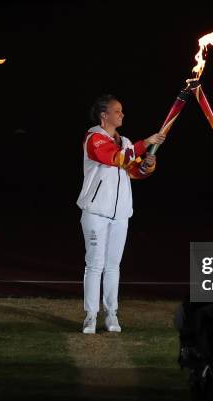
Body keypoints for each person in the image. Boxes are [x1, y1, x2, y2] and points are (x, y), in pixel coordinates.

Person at [77, 94, 165, 334]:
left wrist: (147, 165)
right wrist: (145, 143)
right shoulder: (93, 138)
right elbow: (114, 159)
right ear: (104, 115)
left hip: (121, 213)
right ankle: (91, 316)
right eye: (117, 111)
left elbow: (133, 171)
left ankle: (111, 314)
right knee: (95, 264)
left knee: (113, 265)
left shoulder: (125, 141)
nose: (122, 114)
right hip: (96, 212)